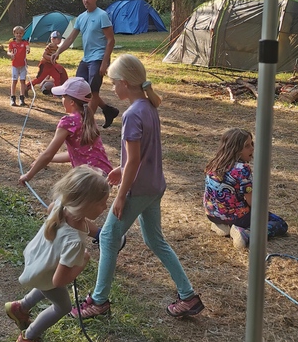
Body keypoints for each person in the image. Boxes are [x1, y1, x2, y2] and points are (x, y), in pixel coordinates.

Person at [71, 54, 204, 320]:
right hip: (154, 186)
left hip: (139, 190)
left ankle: (99, 301)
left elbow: (134, 160)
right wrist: (122, 168)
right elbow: (142, 155)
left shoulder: (132, 114)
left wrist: (121, 196)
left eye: (113, 83)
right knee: (155, 240)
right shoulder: (148, 107)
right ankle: (188, 296)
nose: (112, 88)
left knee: (108, 237)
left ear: (124, 83)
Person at [6, 165, 110, 342]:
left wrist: (99, 234)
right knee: (62, 307)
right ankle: (28, 338)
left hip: (38, 260)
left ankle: (20, 308)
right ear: (84, 205)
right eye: (102, 203)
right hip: (46, 271)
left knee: (45, 285)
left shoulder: (63, 203)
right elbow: (59, 280)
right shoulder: (74, 242)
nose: (105, 207)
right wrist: (83, 262)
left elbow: (68, 217)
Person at [204, 128, 288, 250]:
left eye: (252, 144)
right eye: (247, 146)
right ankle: (246, 233)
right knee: (280, 223)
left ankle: (222, 226)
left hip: (212, 214)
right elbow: (251, 202)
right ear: (236, 150)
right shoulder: (242, 169)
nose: (252, 148)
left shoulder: (213, 164)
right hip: (237, 217)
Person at [19, 76, 112, 185]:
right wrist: (47, 159)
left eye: (63, 96)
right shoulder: (87, 118)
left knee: (61, 196)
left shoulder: (68, 121)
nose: (62, 99)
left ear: (72, 102)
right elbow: (77, 153)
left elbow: (48, 154)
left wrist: (28, 175)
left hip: (89, 178)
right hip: (104, 176)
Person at [51, 0, 119, 128]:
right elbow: (70, 38)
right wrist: (58, 52)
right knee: (78, 89)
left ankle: (86, 124)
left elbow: (111, 40)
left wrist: (104, 62)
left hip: (99, 58)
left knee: (93, 92)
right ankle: (108, 110)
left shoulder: (102, 15)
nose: (86, 1)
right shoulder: (81, 17)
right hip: (87, 58)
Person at [8, 25, 30, 107]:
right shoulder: (12, 43)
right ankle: (12, 98)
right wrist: (10, 54)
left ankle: (22, 98)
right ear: (14, 34)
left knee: (22, 81)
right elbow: (8, 51)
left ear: (23, 34)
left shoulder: (25, 42)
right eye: (17, 33)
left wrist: (27, 50)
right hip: (15, 65)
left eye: (20, 33)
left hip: (23, 66)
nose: (18, 35)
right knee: (14, 81)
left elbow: (27, 47)